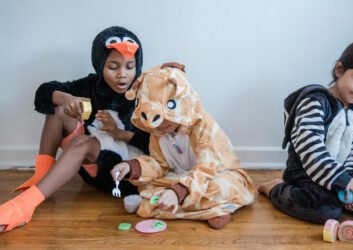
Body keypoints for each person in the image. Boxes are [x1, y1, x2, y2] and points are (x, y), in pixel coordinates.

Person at [0, 26, 180, 233]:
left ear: (137, 65)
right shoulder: (92, 85)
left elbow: (158, 144)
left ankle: (25, 205)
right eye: (113, 67)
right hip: (93, 163)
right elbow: (44, 91)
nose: (123, 75)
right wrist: (67, 99)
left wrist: (119, 134)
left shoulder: (145, 90)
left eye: (130, 66)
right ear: (100, 65)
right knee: (57, 110)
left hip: (124, 172)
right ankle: (41, 179)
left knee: (81, 142)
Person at [258, 40, 353, 224]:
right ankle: (276, 188)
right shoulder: (315, 102)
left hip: (344, 178)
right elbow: (310, 149)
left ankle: (340, 198)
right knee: (327, 211)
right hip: (307, 176)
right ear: (340, 70)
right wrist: (341, 180)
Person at [110, 65, 256, 229]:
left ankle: (156, 204)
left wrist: (177, 191)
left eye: (169, 111)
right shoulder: (157, 133)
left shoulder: (204, 125)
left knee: (223, 187)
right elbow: (159, 164)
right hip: (181, 176)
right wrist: (131, 166)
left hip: (214, 174)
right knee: (147, 184)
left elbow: (207, 167)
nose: (162, 123)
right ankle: (201, 207)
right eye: (156, 119)